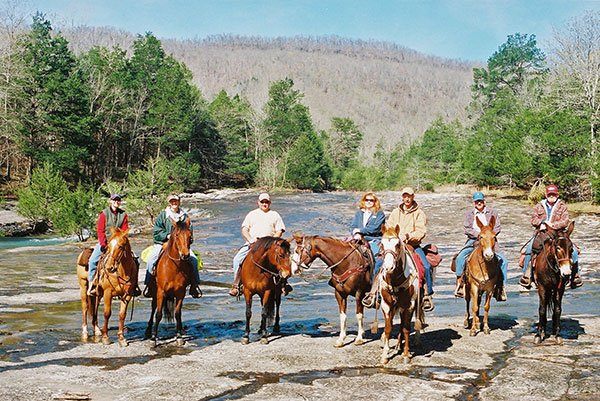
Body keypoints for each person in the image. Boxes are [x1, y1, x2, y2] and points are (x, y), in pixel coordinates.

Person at [363, 187, 434, 312]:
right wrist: (392, 236)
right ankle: (374, 294)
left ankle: (427, 296)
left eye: (409, 196)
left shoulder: (419, 213)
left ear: (413, 197)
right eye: (405, 196)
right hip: (394, 245)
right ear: (402, 197)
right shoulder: (396, 212)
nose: (407, 199)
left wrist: (407, 236)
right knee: (379, 263)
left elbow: (421, 231)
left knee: (426, 266)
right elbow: (389, 227)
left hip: (412, 244)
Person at [519, 184, 582, 289]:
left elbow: (565, 221)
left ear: (557, 195)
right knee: (530, 248)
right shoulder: (538, 206)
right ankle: (527, 275)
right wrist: (542, 222)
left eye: (553, 194)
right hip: (542, 233)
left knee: (574, 250)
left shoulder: (562, 207)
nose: (551, 196)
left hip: (558, 234)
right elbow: (533, 220)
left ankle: (575, 275)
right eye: (549, 194)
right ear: (546, 195)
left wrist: (553, 225)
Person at [229, 193, 288, 297]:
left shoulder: (275, 214)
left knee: (284, 259)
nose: (264, 204)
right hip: (253, 243)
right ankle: (237, 285)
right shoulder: (252, 214)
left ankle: (283, 283)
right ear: (258, 202)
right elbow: (244, 229)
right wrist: (251, 240)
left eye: (266, 202)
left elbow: (279, 230)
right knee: (237, 259)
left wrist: (272, 241)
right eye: (262, 202)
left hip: (270, 245)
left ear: (270, 203)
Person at [144, 193, 202, 298]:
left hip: (181, 246)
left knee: (194, 260)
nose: (174, 203)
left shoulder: (185, 217)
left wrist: (186, 243)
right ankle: (148, 285)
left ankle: (195, 285)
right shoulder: (163, 216)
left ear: (179, 202)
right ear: (169, 203)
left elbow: (190, 234)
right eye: (172, 201)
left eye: (176, 201)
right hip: (163, 243)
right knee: (151, 259)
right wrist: (167, 236)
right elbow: (156, 232)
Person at [454, 192, 508, 301]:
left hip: (489, 240)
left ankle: (501, 288)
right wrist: (478, 234)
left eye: (481, 201)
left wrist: (488, 234)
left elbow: (497, 227)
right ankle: (460, 284)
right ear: (474, 202)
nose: (479, 203)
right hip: (473, 239)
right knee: (460, 258)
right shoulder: (470, 213)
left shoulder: (493, 212)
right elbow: (467, 228)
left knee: (504, 261)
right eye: (477, 201)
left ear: (484, 201)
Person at [88, 193, 141, 297]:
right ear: (110, 201)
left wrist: (122, 240)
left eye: (118, 200)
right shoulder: (104, 213)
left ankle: (134, 285)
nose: (116, 202)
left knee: (136, 261)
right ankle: (92, 284)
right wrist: (103, 244)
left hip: (120, 243)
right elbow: (100, 230)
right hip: (106, 242)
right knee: (93, 261)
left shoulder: (123, 214)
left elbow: (125, 229)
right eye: (114, 200)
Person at [350, 192, 385, 279]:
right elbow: (354, 226)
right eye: (367, 200)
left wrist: (360, 231)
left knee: (378, 260)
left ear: (375, 202)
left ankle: (376, 282)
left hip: (373, 239)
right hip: (358, 238)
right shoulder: (359, 213)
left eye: (371, 200)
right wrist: (356, 233)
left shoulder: (379, 214)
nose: (369, 202)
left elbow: (375, 228)